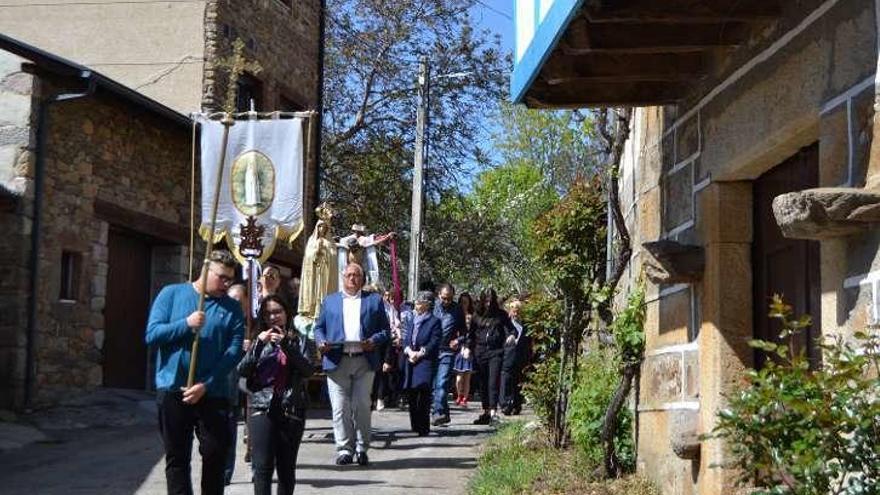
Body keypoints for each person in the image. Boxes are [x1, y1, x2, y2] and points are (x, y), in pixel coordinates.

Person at [145, 249, 244, 495]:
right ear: (205, 270)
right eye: (222, 277)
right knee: (177, 459)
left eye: (229, 279)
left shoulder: (232, 308)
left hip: (213, 392)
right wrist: (185, 324)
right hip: (174, 388)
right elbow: (152, 334)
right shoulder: (171, 294)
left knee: (215, 455)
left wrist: (206, 384)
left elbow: (233, 352)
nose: (226, 284)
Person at [314, 263, 390, 466]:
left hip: (364, 361)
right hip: (336, 359)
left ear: (362, 278)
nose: (352, 279)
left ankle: (362, 448)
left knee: (362, 406)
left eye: (356, 275)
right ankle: (344, 449)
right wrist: (321, 341)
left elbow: (385, 330)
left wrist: (373, 341)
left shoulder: (373, 301)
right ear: (342, 277)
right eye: (349, 275)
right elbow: (319, 327)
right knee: (340, 408)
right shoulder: (330, 301)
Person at [238, 294, 314, 495]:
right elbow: (243, 371)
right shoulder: (258, 340)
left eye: (277, 312)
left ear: (287, 313)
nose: (273, 317)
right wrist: (258, 345)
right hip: (261, 407)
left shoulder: (300, 340)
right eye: (268, 313)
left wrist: (286, 345)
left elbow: (308, 370)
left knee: (286, 469)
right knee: (262, 468)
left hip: (291, 408)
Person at [470, 288, 515, 425]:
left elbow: (511, 329)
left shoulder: (501, 315)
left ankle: (493, 412)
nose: (488, 304)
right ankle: (485, 411)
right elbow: (471, 334)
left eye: (490, 301)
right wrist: (467, 347)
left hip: (495, 352)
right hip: (480, 352)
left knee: (493, 382)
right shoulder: (476, 316)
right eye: (486, 301)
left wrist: (511, 335)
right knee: (483, 383)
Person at [401, 291, 441, 436]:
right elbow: (406, 338)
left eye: (419, 302)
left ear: (427, 305)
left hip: (425, 361)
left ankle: (423, 427)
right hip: (411, 359)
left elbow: (434, 341)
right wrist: (409, 351)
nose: (416, 305)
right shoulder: (413, 319)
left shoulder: (434, 321)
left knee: (423, 393)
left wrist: (420, 353)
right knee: (412, 393)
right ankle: (415, 424)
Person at [224, 284, 249, 485]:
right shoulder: (218, 319)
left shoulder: (251, 324)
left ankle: (225, 473)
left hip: (241, 388)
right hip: (215, 386)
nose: (235, 304)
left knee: (230, 433)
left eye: (239, 301)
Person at [431, 284, 465, 426]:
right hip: (431, 350)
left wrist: (458, 340)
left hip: (447, 351)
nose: (446, 301)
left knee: (442, 382)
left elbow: (465, 332)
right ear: (439, 295)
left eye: (450, 299)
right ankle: (445, 412)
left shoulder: (457, 310)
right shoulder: (432, 307)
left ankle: (437, 412)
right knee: (434, 385)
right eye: (444, 298)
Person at [501, 299, 530, 416]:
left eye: (518, 311)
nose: (516, 314)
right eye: (514, 311)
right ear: (510, 311)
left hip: (520, 358)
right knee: (506, 381)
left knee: (518, 382)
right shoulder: (506, 325)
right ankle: (506, 404)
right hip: (508, 356)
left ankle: (517, 405)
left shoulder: (525, 325)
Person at [375, 289, 402, 411]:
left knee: (383, 371)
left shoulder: (389, 308)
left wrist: (398, 335)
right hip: (370, 342)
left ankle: (381, 398)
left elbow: (395, 323)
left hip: (385, 341)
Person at [453, 292, 475, 407]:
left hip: (468, 349)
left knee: (467, 376)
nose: (463, 305)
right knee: (459, 376)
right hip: (458, 349)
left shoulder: (472, 316)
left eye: (465, 302)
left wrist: (469, 347)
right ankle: (458, 394)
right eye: (461, 302)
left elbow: (473, 334)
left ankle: (464, 398)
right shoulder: (456, 315)